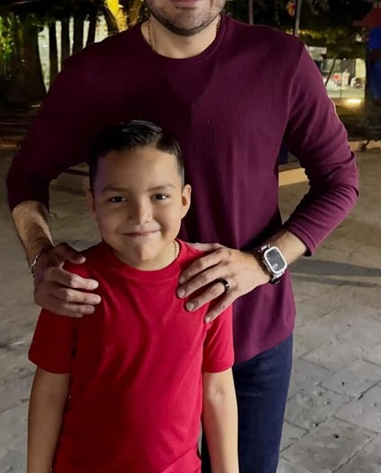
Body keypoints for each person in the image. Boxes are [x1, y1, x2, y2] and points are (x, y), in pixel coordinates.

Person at [6, 0, 359, 471]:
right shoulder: (93, 75)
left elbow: (340, 181)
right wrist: (41, 257)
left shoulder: (280, 62)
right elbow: (26, 177)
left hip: (248, 338)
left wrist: (263, 263)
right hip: (127, 352)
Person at [26, 120, 237, 473]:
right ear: (93, 204)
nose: (140, 215)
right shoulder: (73, 285)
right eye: (117, 199)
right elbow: (49, 391)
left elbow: (217, 389)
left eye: (159, 196)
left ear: (184, 200)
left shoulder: (207, 280)